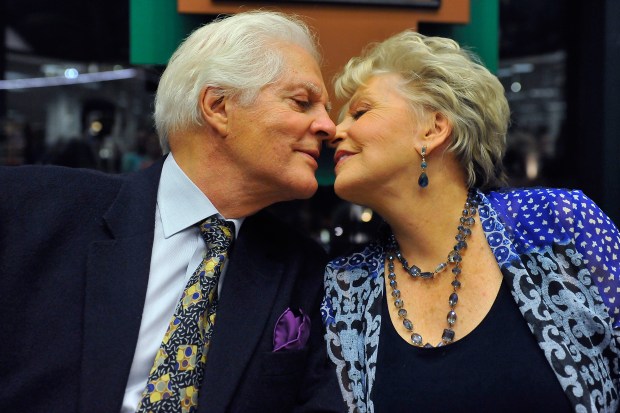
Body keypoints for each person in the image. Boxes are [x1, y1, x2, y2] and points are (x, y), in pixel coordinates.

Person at [0, 11, 345, 413]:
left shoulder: (305, 272)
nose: (328, 126)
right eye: (302, 102)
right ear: (218, 106)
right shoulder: (33, 208)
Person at [320, 30, 620, 412]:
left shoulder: (559, 224)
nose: (335, 131)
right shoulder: (344, 288)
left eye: (360, 112)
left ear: (432, 129)